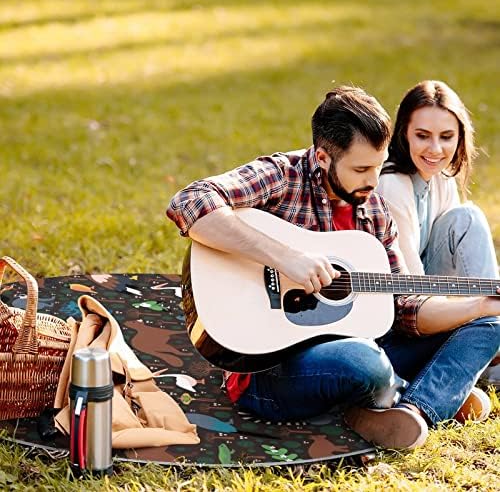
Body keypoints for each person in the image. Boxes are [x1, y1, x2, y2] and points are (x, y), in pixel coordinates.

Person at [167, 86, 500, 450]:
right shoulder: (282, 175)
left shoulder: (373, 209)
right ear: (323, 157)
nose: (373, 182)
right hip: (270, 369)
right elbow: (190, 201)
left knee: (490, 324)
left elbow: (405, 306)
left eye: (378, 165)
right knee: (364, 363)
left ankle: (415, 409)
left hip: (366, 345)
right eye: (361, 169)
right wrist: (284, 256)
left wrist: (478, 306)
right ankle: (427, 390)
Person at [377, 80, 500, 385]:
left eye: (447, 137)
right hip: (401, 317)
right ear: (404, 133)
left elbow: (460, 269)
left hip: (435, 304)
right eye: (422, 136)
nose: (435, 149)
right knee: (468, 217)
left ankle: (488, 342)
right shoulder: (392, 184)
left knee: (465, 217)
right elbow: (412, 292)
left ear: (460, 138)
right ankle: (487, 351)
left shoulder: (441, 177)